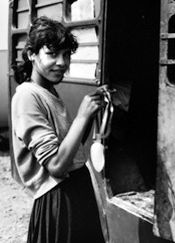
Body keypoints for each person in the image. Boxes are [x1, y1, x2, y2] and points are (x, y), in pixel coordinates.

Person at [11, 16, 105, 242]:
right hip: (59, 199)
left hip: (75, 191)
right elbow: (56, 166)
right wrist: (82, 116)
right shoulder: (27, 96)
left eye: (66, 55)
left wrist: (91, 113)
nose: (62, 62)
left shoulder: (48, 91)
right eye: (52, 54)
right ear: (32, 54)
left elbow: (71, 149)